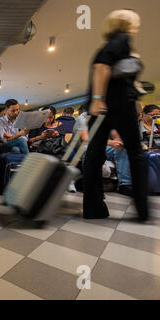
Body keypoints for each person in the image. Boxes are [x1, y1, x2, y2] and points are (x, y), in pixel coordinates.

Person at [84, 9, 149, 222]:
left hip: (104, 107)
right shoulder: (123, 40)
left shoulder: (111, 44)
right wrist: (98, 98)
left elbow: (111, 70)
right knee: (136, 154)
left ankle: (93, 209)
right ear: (125, 25)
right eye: (134, 23)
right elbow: (101, 66)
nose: (136, 27)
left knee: (94, 155)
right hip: (118, 105)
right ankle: (142, 209)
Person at [74, 107, 133, 196]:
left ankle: (125, 185)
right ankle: (90, 182)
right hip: (85, 146)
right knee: (89, 149)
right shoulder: (83, 118)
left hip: (103, 145)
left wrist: (118, 141)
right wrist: (111, 142)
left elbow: (115, 134)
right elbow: (85, 139)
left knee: (122, 149)